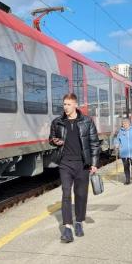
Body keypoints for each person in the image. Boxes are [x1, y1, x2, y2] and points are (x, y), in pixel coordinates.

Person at [49, 93, 100, 243]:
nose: (65, 107)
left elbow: (94, 143)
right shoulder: (57, 122)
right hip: (65, 163)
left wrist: (95, 164)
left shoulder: (87, 121)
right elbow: (51, 138)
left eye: (68, 104)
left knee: (81, 195)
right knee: (66, 194)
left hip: (82, 164)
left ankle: (79, 222)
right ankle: (67, 228)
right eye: (64, 104)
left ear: (75, 105)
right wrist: (54, 141)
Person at [114, 118, 132, 185]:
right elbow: (117, 139)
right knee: (126, 166)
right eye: (123, 124)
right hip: (124, 151)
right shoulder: (120, 131)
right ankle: (127, 180)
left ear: (129, 123)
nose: (124, 125)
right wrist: (116, 144)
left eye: (125, 123)